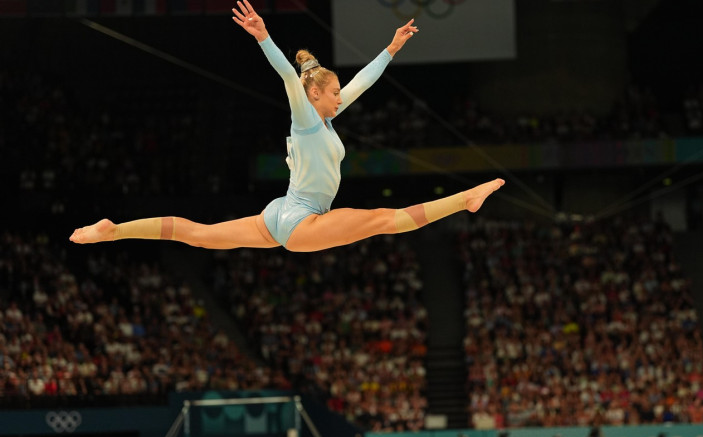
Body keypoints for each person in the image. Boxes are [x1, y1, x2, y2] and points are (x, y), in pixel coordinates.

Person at [70, 0, 504, 252]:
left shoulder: (325, 117)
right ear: (315, 94)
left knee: (197, 234)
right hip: (301, 220)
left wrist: (390, 48)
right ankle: (465, 198)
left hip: (279, 213)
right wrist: (263, 37)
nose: (340, 99)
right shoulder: (304, 116)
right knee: (385, 221)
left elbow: (361, 83)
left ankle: (115, 230)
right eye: (334, 95)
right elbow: (285, 74)